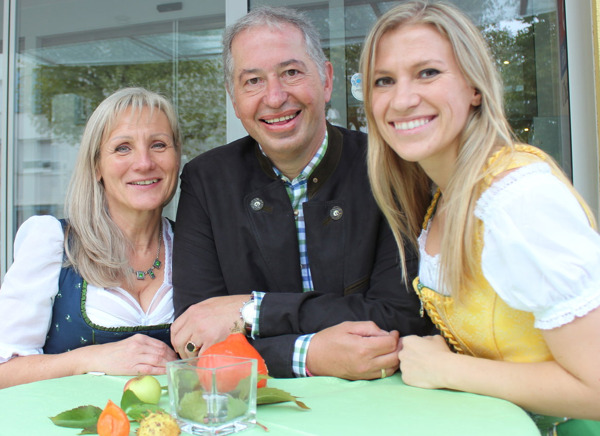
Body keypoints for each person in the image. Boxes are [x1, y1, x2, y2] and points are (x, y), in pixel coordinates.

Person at [360, 0, 600, 424]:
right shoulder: (445, 196)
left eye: (427, 72)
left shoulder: (517, 198)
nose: (402, 99)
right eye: (384, 81)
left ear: (474, 87)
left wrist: (447, 369)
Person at [171, 6, 433, 379]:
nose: (275, 97)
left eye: (291, 73)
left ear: (326, 80)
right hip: (257, 405)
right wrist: (308, 355)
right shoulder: (206, 181)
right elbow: (194, 337)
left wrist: (254, 312)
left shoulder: (389, 166)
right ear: (234, 98)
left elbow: (402, 316)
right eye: (253, 81)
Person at [0, 87, 180, 388]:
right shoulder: (54, 243)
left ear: (176, 156)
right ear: (97, 165)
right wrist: (88, 359)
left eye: (159, 145)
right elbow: (4, 372)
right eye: (123, 148)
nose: (144, 163)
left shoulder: (195, 245)